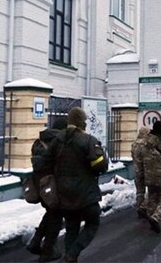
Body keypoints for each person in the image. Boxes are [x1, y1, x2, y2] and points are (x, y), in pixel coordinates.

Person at [45, 107, 109, 262]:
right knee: (93, 222)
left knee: (72, 226)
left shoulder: (57, 140)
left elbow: (46, 163)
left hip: (64, 193)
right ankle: (72, 253)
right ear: (81, 122)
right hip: (85, 193)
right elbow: (100, 166)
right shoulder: (88, 140)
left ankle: (70, 256)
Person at [27, 118, 68, 262]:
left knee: (51, 213)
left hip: (40, 185)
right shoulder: (58, 143)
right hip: (53, 185)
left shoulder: (39, 142)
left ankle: (36, 241)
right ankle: (48, 251)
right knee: (56, 216)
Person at [134, 121, 161, 234]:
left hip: (149, 177)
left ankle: (151, 219)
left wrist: (141, 175)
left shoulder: (144, 144)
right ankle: (156, 217)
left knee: (152, 198)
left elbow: (139, 161)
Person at [131, 126, 150, 218]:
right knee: (152, 190)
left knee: (139, 192)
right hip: (146, 170)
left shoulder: (134, 143)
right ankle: (145, 208)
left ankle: (139, 208)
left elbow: (132, 156)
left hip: (137, 170)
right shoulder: (145, 143)